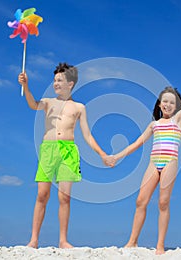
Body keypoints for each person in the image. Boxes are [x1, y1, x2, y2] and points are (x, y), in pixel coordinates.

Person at [109, 77, 181, 254]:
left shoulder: (179, 119)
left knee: (163, 203)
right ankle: (132, 241)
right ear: (159, 104)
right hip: (153, 163)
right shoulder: (154, 124)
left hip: (170, 162)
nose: (168, 104)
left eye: (172, 102)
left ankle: (160, 245)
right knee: (140, 201)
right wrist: (116, 157)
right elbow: (137, 143)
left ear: (177, 106)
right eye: (165, 101)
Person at [18, 62, 111, 249]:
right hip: (48, 150)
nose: (55, 83)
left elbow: (87, 135)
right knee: (42, 195)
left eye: (59, 80)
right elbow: (32, 104)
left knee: (64, 198)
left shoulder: (79, 107)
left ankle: (63, 240)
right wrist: (26, 86)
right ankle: (34, 239)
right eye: (54, 80)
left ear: (71, 84)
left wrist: (102, 154)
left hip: (68, 151)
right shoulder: (48, 102)